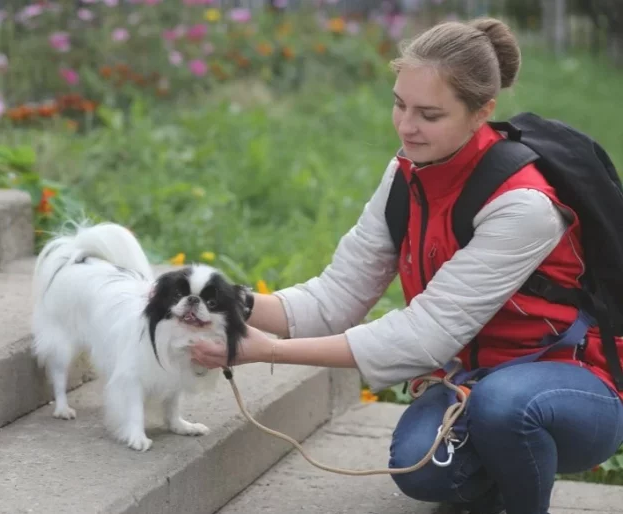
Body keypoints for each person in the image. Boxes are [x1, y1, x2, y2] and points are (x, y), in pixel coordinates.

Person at [189, 16, 623, 514]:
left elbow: (426, 335)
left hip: (571, 388)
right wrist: (228, 298)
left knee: (505, 407)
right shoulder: (406, 173)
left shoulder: (523, 206)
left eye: (429, 114)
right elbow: (334, 298)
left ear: (482, 112)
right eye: (399, 103)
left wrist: (265, 350)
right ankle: (496, 490)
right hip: (471, 382)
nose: (406, 126)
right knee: (421, 468)